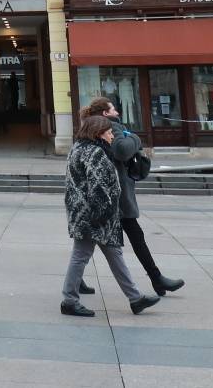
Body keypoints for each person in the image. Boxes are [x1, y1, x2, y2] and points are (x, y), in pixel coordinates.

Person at [84, 96, 185, 296]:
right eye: (113, 109)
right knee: (133, 237)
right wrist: (137, 138)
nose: (117, 112)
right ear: (105, 113)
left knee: (88, 240)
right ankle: (156, 280)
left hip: (102, 191)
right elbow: (122, 151)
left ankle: (76, 280)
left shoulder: (89, 128)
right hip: (118, 193)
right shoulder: (112, 126)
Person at [61, 115, 160, 318]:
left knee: (114, 254)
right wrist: (103, 215)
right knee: (81, 256)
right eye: (108, 132)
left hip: (86, 214)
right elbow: (98, 187)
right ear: (98, 133)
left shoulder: (79, 148)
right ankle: (69, 300)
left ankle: (135, 298)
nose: (111, 135)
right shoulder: (94, 152)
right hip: (95, 216)